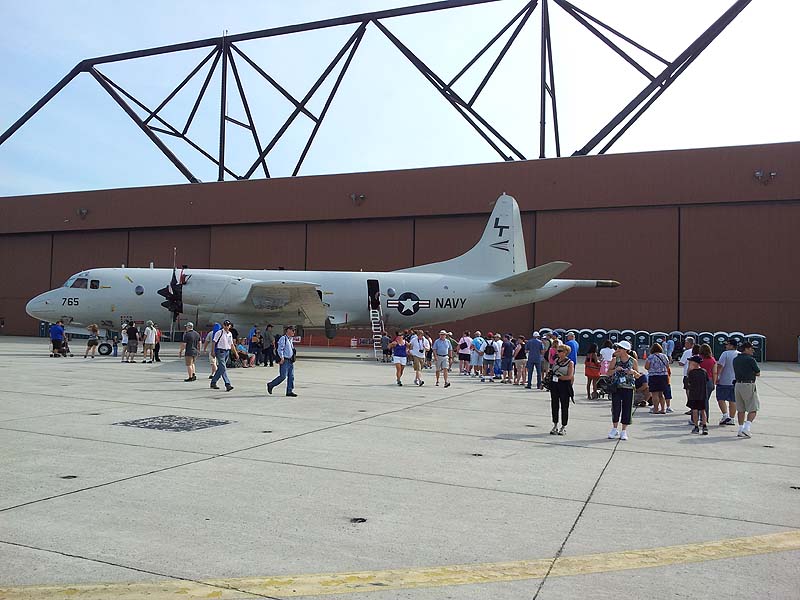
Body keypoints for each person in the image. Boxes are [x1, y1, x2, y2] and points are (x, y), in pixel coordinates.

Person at [607, 341, 638, 441]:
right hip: (617, 387)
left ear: (625, 350)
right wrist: (616, 369)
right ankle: (614, 428)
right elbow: (608, 373)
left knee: (627, 408)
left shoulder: (633, 361)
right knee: (615, 408)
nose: (617, 350)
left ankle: (624, 430)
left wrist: (633, 372)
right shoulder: (615, 360)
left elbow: (638, 375)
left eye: (620, 348)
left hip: (628, 388)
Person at [733, 342, 761, 438]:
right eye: (751, 348)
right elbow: (758, 372)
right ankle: (747, 427)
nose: (753, 350)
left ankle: (740, 429)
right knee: (753, 408)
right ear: (746, 349)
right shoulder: (750, 360)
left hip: (737, 384)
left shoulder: (736, 359)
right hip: (748, 384)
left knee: (740, 409)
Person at [548, 345, 574, 436]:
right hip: (554, 385)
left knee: (564, 406)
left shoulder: (570, 363)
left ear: (565, 352)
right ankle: (555, 424)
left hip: (564, 385)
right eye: (557, 351)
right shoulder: (556, 361)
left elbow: (570, 376)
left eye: (560, 351)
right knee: (554, 405)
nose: (557, 352)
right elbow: (552, 371)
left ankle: (563, 426)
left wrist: (560, 378)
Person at [267, 325, 298, 396]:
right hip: (285, 360)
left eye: (294, 330)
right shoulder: (283, 338)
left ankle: (289, 391)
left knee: (291, 376)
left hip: (290, 361)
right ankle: (271, 384)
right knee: (283, 376)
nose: (294, 332)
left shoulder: (290, 339)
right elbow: (279, 349)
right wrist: (281, 358)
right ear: (288, 331)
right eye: (292, 330)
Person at [715, 338, 739, 425]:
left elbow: (720, 366)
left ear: (732, 346)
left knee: (720, 398)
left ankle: (725, 415)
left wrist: (717, 376)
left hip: (724, 380)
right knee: (733, 400)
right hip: (735, 381)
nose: (726, 346)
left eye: (728, 344)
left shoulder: (725, 354)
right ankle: (732, 418)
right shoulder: (739, 354)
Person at [209, 320, 237, 392]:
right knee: (223, 367)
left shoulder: (230, 334)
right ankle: (227, 384)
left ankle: (213, 382)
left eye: (228, 325)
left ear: (230, 326)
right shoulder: (219, 332)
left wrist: (235, 353)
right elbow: (214, 342)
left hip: (227, 351)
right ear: (223, 325)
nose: (226, 326)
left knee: (220, 368)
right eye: (225, 325)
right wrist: (213, 351)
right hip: (220, 351)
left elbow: (231, 344)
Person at [645, 343, 670, 413]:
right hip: (663, 376)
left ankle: (656, 409)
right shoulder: (664, 356)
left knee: (654, 394)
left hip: (654, 376)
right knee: (661, 394)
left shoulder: (651, 357)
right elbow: (667, 366)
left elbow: (646, 367)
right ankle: (663, 409)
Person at [686, 356, 709, 434]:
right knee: (703, 410)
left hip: (694, 394)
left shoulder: (691, 373)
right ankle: (704, 425)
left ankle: (696, 427)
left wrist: (689, 370)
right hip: (702, 394)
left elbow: (689, 382)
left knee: (695, 410)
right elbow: (707, 380)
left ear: (695, 363)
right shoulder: (704, 371)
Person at [698, 343, 717, 421]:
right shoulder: (712, 360)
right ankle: (705, 418)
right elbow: (714, 372)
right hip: (709, 380)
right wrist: (714, 382)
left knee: (698, 400)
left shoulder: (699, 359)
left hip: (699, 380)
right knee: (706, 400)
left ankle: (697, 417)